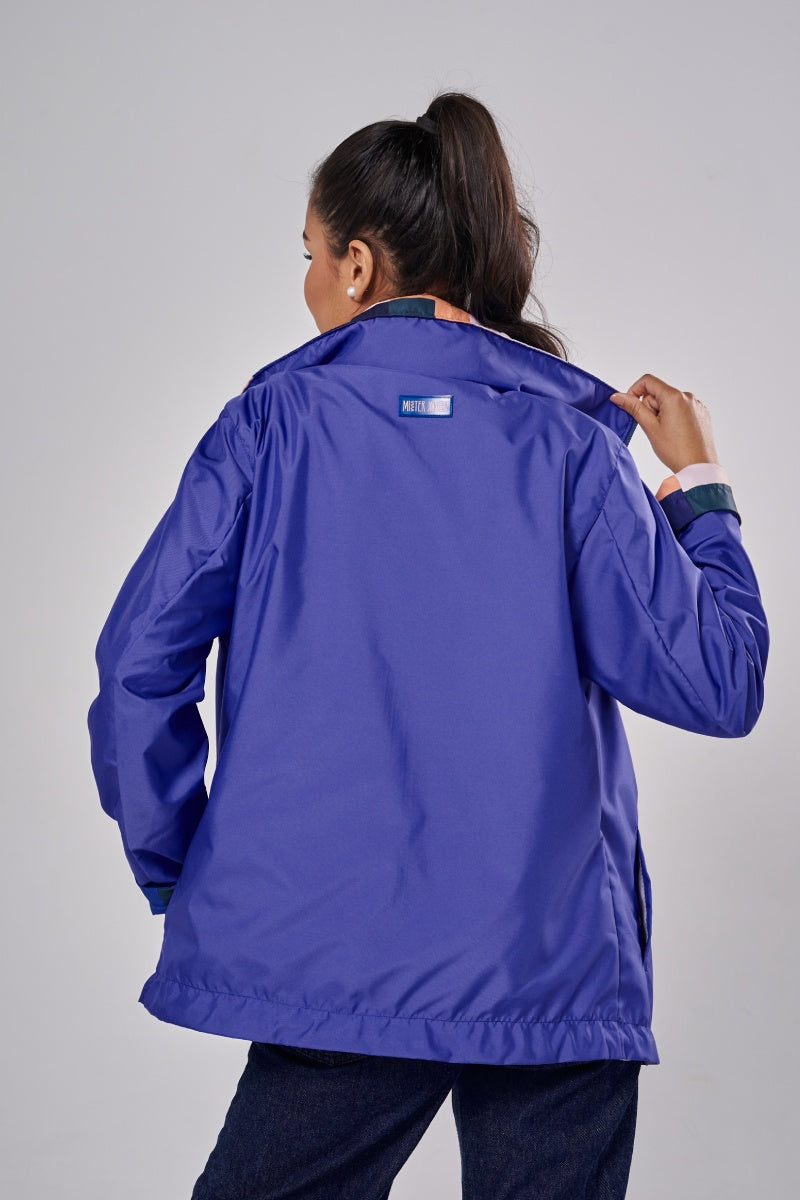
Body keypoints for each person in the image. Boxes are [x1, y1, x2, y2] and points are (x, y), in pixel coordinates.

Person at [86, 91, 769, 1199]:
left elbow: (136, 668)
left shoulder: (268, 428)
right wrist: (699, 487)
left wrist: (181, 865)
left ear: (357, 266)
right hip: (550, 966)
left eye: (309, 255)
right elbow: (720, 681)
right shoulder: (571, 448)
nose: (309, 281)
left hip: (325, 956)